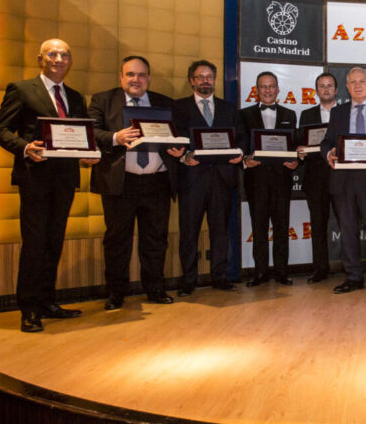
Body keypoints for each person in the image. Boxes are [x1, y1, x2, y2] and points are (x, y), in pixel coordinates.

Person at [0, 39, 94, 332]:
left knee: (54, 242)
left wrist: (88, 154)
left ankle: (48, 302)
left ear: (70, 61)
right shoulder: (21, 89)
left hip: (65, 180)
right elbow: (0, 131)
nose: (59, 59)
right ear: (40, 59)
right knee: (34, 244)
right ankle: (28, 309)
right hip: (34, 178)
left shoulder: (75, 97)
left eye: (65, 54)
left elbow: (81, 135)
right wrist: (25, 148)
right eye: (52, 54)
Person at [89, 55, 185, 310]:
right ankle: (115, 293)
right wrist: (115, 137)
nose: (136, 79)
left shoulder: (165, 103)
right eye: (130, 74)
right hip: (120, 183)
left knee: (156, 240)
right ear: (121, 77)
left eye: (141, 75)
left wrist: (178, 149)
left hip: (157, 182)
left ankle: (155, 289)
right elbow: (91, 132)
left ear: (149, 78)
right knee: (117, 240)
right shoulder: (103, 100)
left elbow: (179, 134)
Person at [320, 67, 366, 296]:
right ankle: (353, 277)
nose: (358, 86)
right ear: (347, 86)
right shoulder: (338, 113)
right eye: (353, 82)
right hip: (344, 181)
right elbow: (326, 142)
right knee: (348, 232)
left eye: (362, 81)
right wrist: (329, 154)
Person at [173, 60, 245, 296]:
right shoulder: (179, 108)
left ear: (215, 80)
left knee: (220, 231)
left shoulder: (229, 108)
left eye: (209, 77)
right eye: (200, 77)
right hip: (192, 179)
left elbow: (242, 138)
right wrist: (184, 156)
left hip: (222, 179)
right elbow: (175, 139)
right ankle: (188, 280)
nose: (205, 81)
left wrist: (240, 153)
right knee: (189, 232)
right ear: (191, 80)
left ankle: (220, 277)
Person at [240, 71, 299, 287]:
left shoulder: (289, 114)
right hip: (256, 181)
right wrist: (245, 160)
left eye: (271, 86)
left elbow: (293, 146)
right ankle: (260, 272)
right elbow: (241, 145)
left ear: (278, 89)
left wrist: (296, 161)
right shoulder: (244, 115)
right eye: (263, 86)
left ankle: (282, 271)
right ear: (256, 90)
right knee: (259, 228)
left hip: (282, 180)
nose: (267, 90)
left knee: (282, 227)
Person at [299, 72, 338, 284]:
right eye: (322, 86)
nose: (326, 89)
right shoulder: (306, 115)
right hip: (315, 178)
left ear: (336, 90)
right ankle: (320, 268)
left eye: (329, 85)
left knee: (348, 224)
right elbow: (301, 143)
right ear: (316, 91)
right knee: (318, 225)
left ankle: (352, 268)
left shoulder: (345, 112)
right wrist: (300, 151)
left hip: (341, 177)